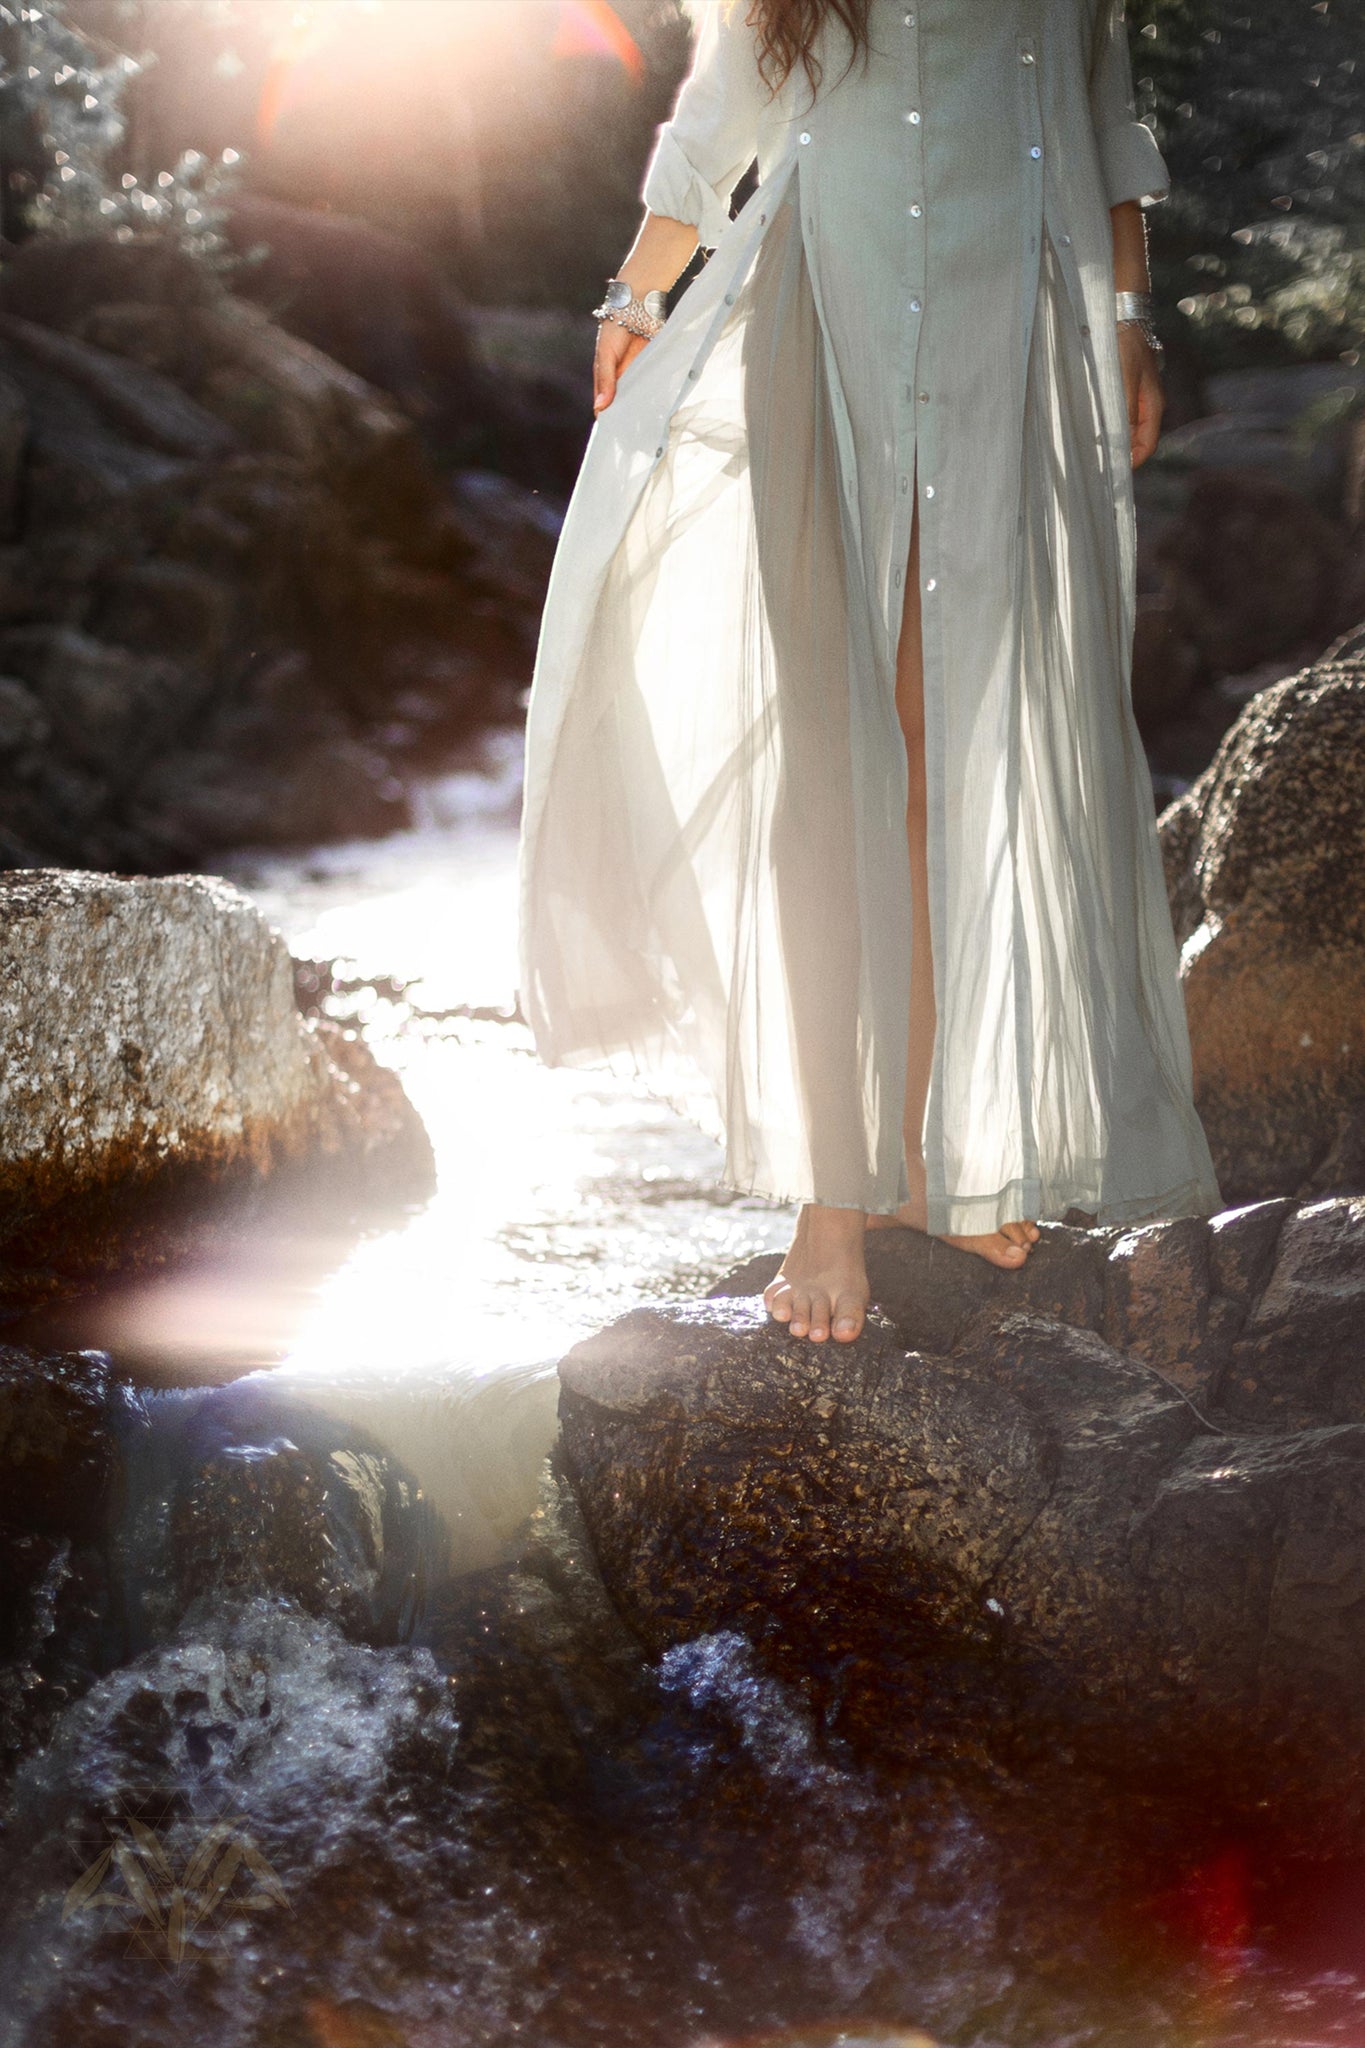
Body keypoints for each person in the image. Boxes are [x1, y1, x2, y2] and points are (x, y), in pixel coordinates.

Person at [517, 0, 1224, 1347]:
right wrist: (634, 291)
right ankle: (828, 1201)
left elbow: (1100, 104)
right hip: (817, 314)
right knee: (830, 755)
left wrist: (1126, 320)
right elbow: (725, 106)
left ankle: (937, 1160)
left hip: (1002, 331)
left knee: (950, 751)